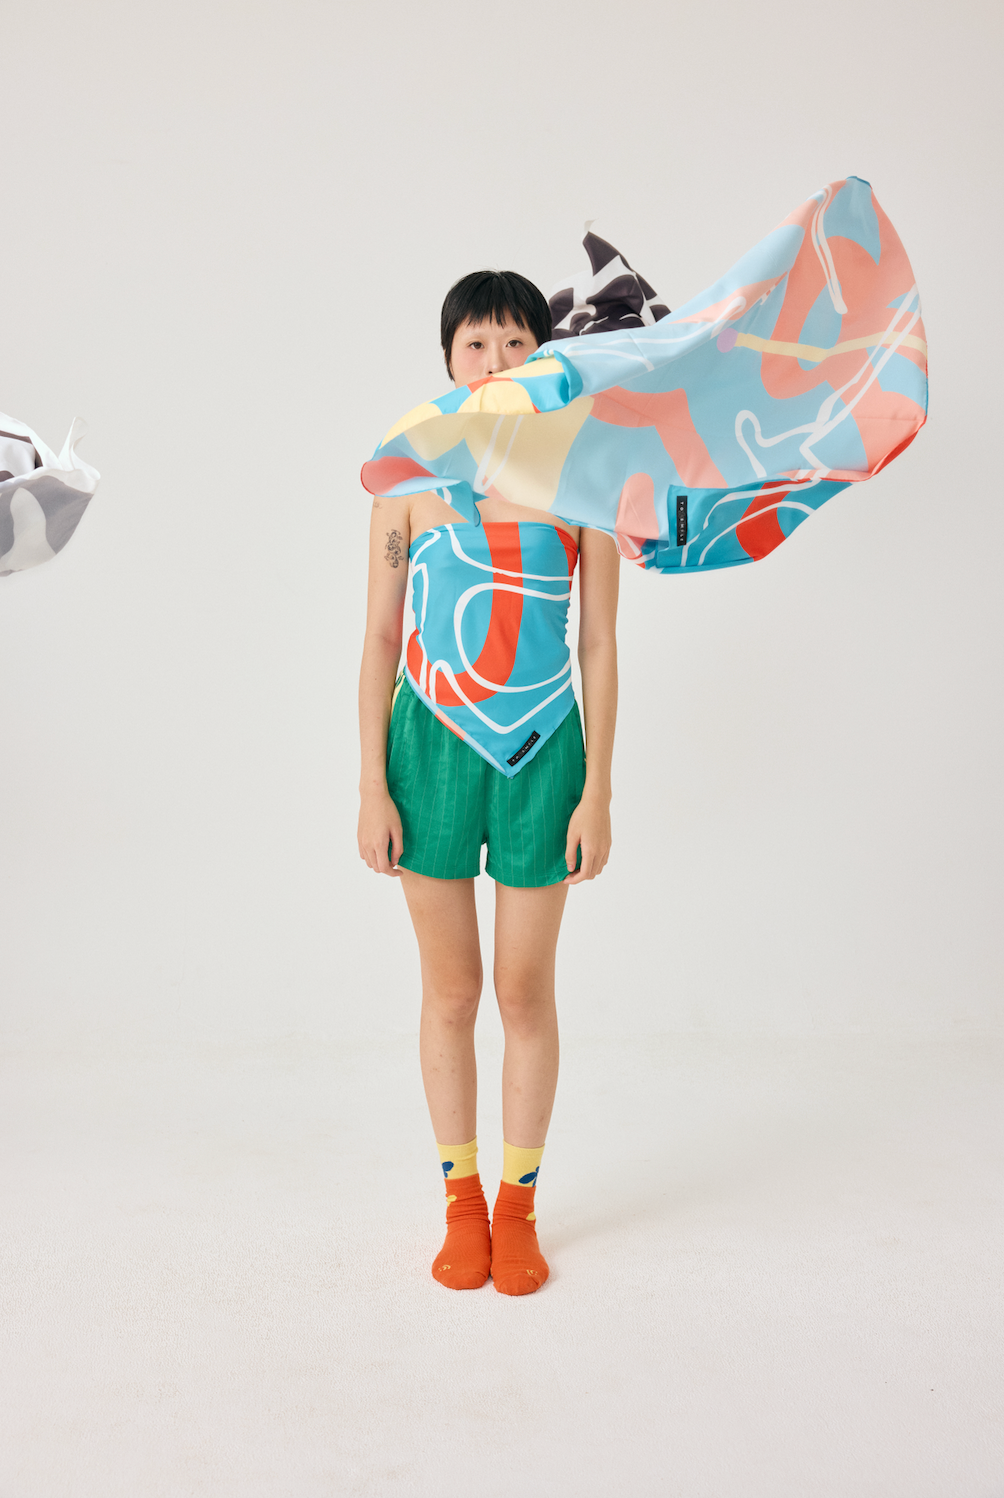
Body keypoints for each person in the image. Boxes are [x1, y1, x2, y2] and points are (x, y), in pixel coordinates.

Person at [357, 268, 619, 1296]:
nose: (495, 361)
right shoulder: (406, 481)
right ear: (448, 358)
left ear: (543, 358)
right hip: (426, 746)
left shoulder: (584, 482)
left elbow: (598, 644)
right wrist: (371, 785)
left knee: (521, 990)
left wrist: (597, 791)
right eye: (476, 343)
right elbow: (380, 638)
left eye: (517, 343)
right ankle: (460, 1200)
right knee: (452, 990)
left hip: (543, 749)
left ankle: (519, 1206)